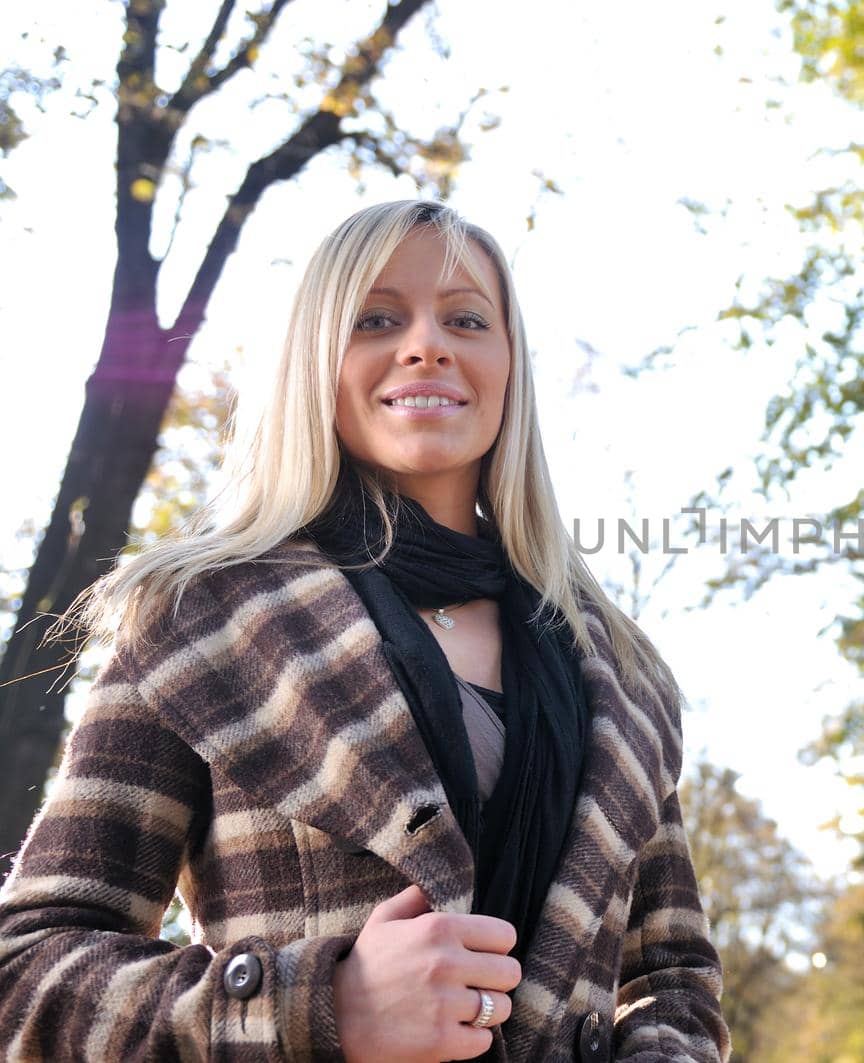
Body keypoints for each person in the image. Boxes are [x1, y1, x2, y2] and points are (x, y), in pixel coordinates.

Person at [0, 200, 731, 1062]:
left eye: (466, 318)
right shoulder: (203, 618)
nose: (428, 344)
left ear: (508, 367)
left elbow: (674, 979)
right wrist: (321, 1005)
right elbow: (26, 974)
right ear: (315, 361)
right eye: (377, 318)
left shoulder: (621, 669)